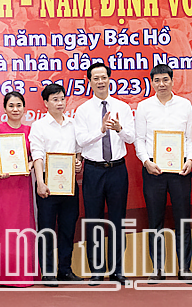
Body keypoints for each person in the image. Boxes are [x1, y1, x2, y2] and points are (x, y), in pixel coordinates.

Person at [133, 64, 192, 281]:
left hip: (180, 171)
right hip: (154, 172)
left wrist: (190, 160)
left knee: (183, 221)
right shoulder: (144, 107)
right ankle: (157, 269)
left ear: (172, 81)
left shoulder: (185, 105)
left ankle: (185, 268)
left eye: (165, 80)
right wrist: (146, 161)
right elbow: (139, 140)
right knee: (155, 220)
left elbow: (190, 138)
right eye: (157, 80)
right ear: (152, 82)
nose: (161, 84)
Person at [74, 62, 135, 284]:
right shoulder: (83, 110)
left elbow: (131, 137)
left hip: (117, 169)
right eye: (95, 78)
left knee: (118, 220)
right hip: (93, 171)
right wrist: (100, 130)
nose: (100, 81)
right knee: (94, 220)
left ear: (110, 79)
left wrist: (118, 128)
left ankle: (118, 270)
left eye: (104, 77)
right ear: (89, 82)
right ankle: (97, 270)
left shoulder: (123, 107)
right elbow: (80, 141)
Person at [29, 83, 82, 285]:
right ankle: (48, 272)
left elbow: (78, 150)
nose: (60, 103)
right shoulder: (39, 126)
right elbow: (37, 155)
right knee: (47, 229)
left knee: (68, 228)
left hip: (69, 186)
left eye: (62, 98)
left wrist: (78, 162)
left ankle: (65, 270)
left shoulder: (72, 124)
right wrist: (40, 183)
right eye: (55, 99)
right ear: (45, 103)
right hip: (47, 186)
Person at [0, 91, 36, 286]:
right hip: (5, 184)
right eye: (11, 106)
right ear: (5, 108)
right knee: (6, 226)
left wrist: (29, 167)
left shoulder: (31, 130)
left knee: (24, 226)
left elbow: (35, 158)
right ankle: (7, 275)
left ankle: (25, 275)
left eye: (19, 105)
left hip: (23, 184)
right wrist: (0, 167)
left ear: (24, 108)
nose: (15, 109)